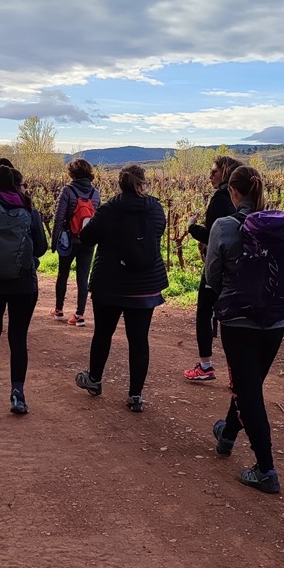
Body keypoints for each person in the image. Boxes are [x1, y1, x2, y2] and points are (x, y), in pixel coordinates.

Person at [204, 166, 284, 496]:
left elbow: (212, 277)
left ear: (234, 193)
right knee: (249, 382)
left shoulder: (224, 225)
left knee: (248, 389)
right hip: (276, 320)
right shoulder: (282, 225)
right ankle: (226, 434)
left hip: (238, 319)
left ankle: (266, 469)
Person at [74, 164, 168, 413]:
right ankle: (135, 395)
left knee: (103, 334)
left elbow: (87, 238)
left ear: (120, 183)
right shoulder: (156, 208)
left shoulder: (109, 209)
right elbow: (159, 233)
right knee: (139, 341)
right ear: (143, 182)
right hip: (146, 285)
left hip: (110, 284)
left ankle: (94, 380)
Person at [0, 162, 47, 415]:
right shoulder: (29, 212)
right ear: (18, 186)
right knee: (18, 337)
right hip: (23, 284)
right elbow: (41, 249)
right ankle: (17, 393)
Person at [183, 154, 241, 382]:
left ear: (225, 172)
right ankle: (235, 371)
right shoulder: (241, 197)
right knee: (230, 317)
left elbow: (213, 235)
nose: (210, 175)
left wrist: (191, 227)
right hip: (237, 265)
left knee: (204, 313)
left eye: (214, 170)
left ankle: (205, 366)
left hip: (216, 265)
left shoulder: (220, 197)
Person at [49, 158, 101, 326]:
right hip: (88, 242)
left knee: (62, 274)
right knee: (83, 278)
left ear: (72, 173)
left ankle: (58, 310)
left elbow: (59, 218)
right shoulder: (96, 193)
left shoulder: (67, 191)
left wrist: (54, 241)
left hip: (69, 241)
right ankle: (79, 315)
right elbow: (98, 220)